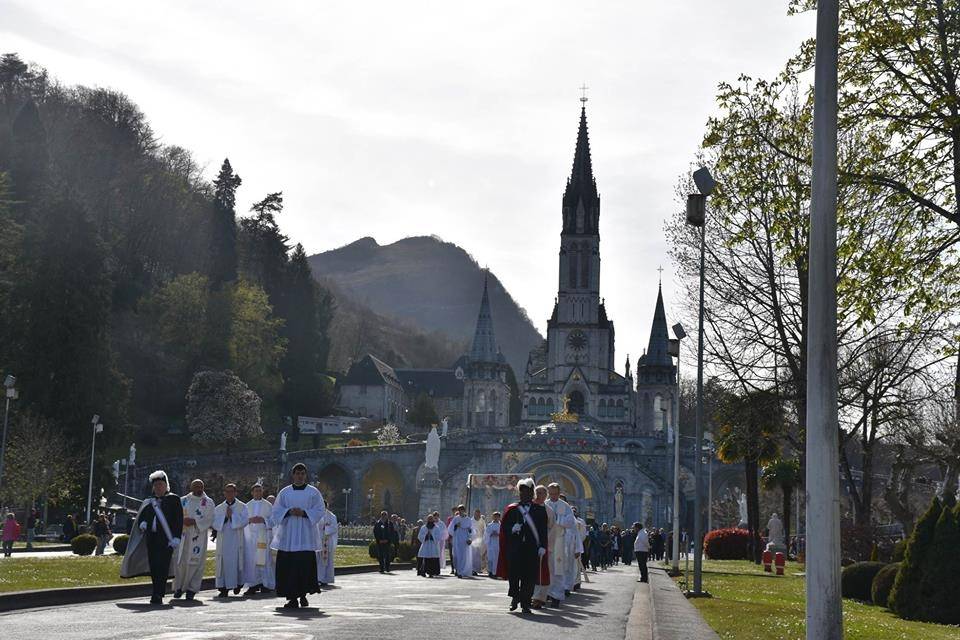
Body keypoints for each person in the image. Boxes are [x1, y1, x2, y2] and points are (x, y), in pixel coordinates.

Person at [120, 470, 184, 605]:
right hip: (152, 539)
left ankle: (158, 594)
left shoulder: (174, 499)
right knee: (154, 567)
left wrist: (176, 537)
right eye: (156, 485)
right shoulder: (149, 501)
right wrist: (143, 522)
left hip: (167, 540)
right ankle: (156, 591)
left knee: (163, 567)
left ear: (166, 486)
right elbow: (143, 515)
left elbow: (178, 519)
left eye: (161, 485)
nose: (158, 487)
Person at [271, 463, 326, 609]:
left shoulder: (313, 492)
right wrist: (288, 512)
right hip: (288, 536)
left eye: (302, 474)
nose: (300, 476)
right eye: (297, 473)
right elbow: (276, 510)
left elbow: (320, 509)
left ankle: (303, 595)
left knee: (304, 565)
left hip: (305, 535)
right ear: (293, 475)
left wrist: (305, 513)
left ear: (305, 475)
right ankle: (292, 598)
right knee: (289, 566)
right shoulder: (285, 492)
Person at [496, 478, 548, 614]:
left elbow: (543, 530)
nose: (525, 495)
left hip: (532, 548)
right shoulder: (512, 509)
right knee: (514, 574)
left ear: (532, 494)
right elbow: (504, 528)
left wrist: (543, 546)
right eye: (523, 493)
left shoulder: (539, 510)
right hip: (515, 547)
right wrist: (512, 528)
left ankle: (525, 603)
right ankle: (514, 597)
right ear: (519, 494)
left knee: (529, 576)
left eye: (528, 493)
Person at [173, 479, 214, 600]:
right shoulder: (183, 500)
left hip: (198, 536)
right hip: (184, 535)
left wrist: (195, 521)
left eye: (200, 486)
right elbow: (175, 516)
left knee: (196, 563)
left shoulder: (208, 502)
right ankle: (178, 588)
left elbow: (210, 518)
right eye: (196, 486)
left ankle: (192, 589)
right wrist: (182, 521)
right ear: (191, 487)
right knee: (180, 562)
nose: (198, 489)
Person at [212, 483, 249, 597]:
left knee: (236, 560)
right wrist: (225, 518)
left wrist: (232, 516)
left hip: (237, 539)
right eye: (227, 492)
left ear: (235, 493)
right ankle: (223, 588)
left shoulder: (242, 506)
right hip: (223, 540)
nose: (229, 494)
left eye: (231, 491)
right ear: (224, 493)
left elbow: (245, 521)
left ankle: (237, 584)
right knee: (223, 562)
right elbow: (214, 523)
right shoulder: (219, 508)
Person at [544, 484, 576, 606]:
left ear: (559, 493)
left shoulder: (565, 506)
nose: (553, 496)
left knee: (558, 568)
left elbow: (570, 521)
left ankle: (556, 595)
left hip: (558, 540)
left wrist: (556, 520)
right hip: (546, 539)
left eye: (555, 494)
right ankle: (545, 593)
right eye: (550, 493)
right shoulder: (545, 504)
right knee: (546, 567)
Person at [242, 482, 274, 595]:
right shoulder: (247, 506)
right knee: (252, 560)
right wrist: (250, 520)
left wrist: (263, 520)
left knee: (264, 560)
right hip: (251, 537)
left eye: (260, 491)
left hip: (263, 536)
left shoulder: (268, 505)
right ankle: (253, 584)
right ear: (252, 492)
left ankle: (265, 584)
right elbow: (242, 520)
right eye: (256, 491)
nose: (258, 493)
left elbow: (273, 520)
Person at [530, 485, 554, 608]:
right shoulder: (528, 507)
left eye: (542, 493)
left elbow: (551, 529)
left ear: (546, 496)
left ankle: (539, 598)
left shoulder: (548, 511)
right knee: (529, 572)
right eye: (537, 493)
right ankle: (527, 596)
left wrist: (546, 546)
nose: (539, 495)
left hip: (542, 547)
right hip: (528, 545)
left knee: (541, 572)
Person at [447, 504, 473, 578]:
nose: (460, 511)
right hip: (457, 538)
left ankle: (462, 571)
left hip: (465, 539)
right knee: (457, 555)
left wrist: (470, 537)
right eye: (459, 510)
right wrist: (456, 526)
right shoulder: (455, 519)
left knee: (464, 555)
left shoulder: (468, 519)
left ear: (464, 510)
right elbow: (450, 529)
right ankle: (458, 570)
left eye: (462, 510)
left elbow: (471, 529)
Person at [317, 508, 338, 586]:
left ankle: (324, 578)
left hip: (326, 542)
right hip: (318, 541)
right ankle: (317, 578)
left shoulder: (331, 516)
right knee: (318, 561)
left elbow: (334, 527)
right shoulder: (317, 514)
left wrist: (325, 528)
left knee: (325, 561)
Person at [484, 512, 501, 577]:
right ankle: (490, 571)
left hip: (498, 544)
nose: (496, 518)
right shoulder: (489, 525)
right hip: (491, 543)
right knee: (490, 558)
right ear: (493, 517)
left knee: (496, 559)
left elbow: (503, 534)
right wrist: (490, 534)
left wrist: (498, 534)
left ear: (499, 517)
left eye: (497, 516)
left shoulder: (501, 525)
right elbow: (486, 534)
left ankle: (496, 572)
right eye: (495, 516)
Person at [471, 509, 486, 575]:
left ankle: (478, 568)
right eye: (476, 513)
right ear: (474, 514)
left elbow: (485, 529)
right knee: (473, 554)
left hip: (480, 539)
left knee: (479, 554)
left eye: (479, 514)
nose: (478, 515)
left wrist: (484, 538)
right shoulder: (471, 521)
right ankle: (473, 569)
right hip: (473, 539)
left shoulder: (482, 520)